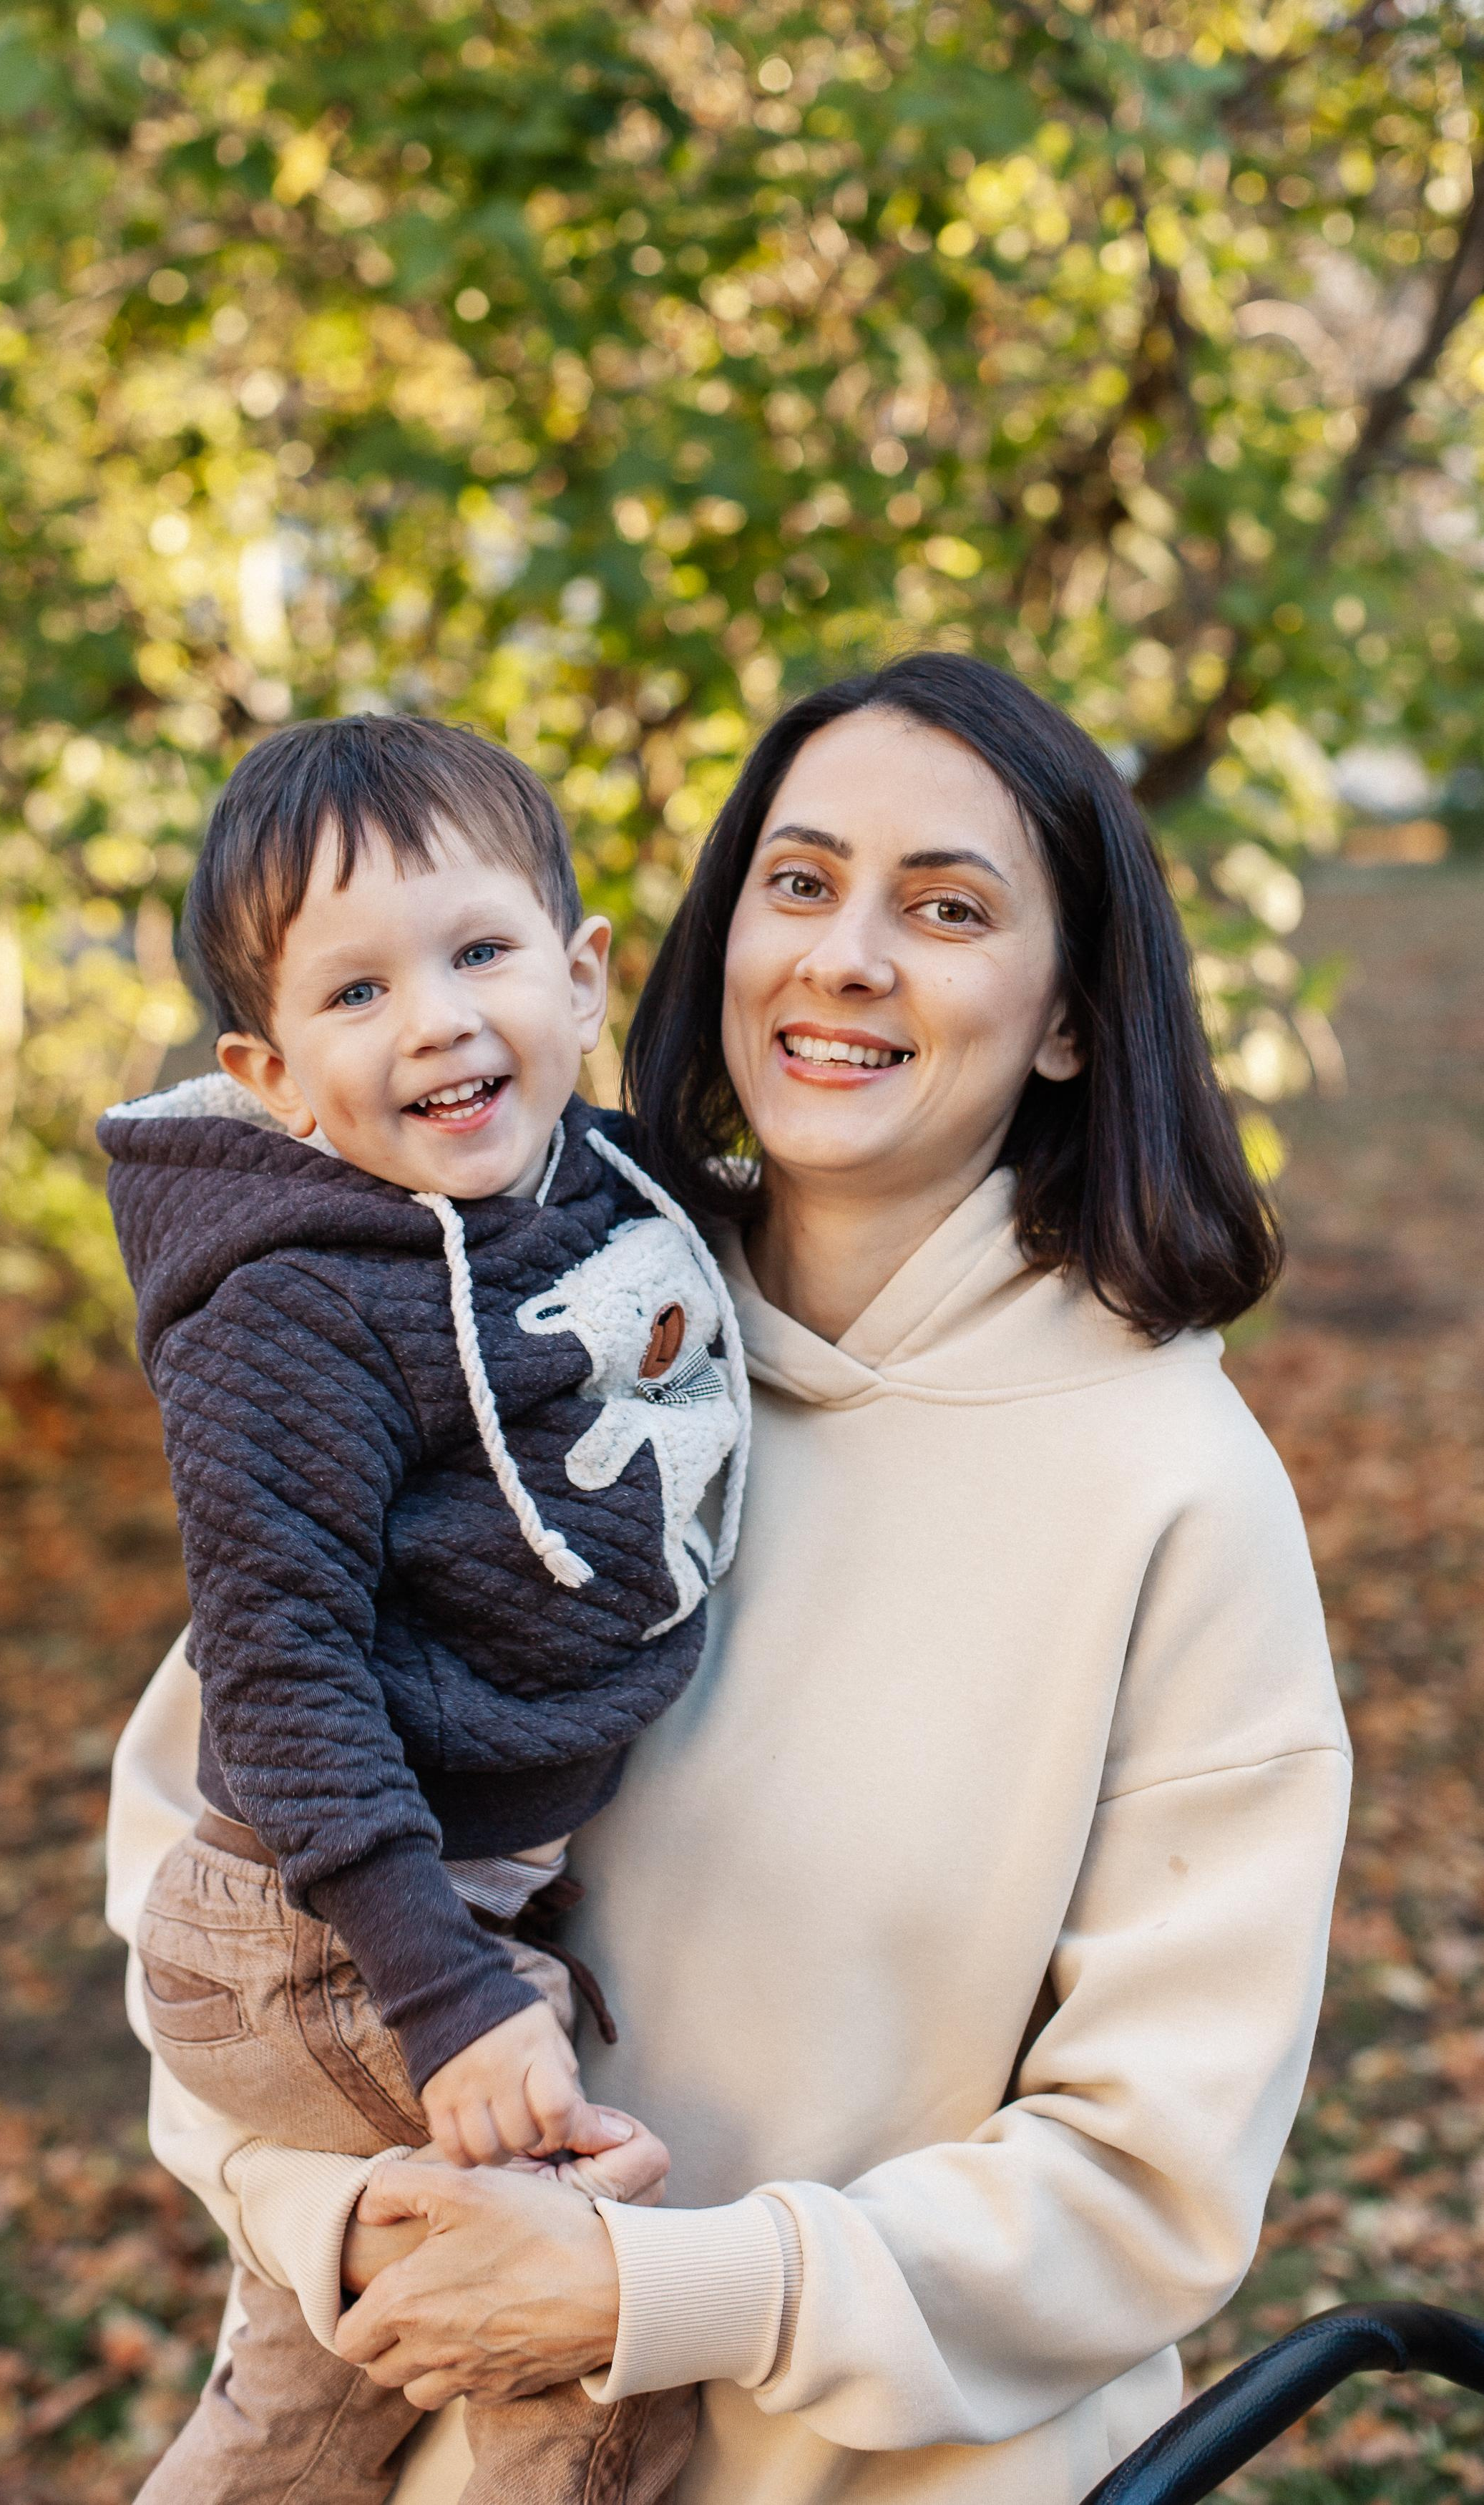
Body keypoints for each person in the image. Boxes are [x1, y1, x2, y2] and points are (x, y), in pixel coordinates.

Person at [105, 653, 1351, 2505]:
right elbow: (208, 1884)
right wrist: (349, 2216)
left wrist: (654, 2287)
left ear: (1069, 1013)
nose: (843, 954)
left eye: (941, 906)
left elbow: (1144, 2179)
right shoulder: (490, 1320)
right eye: (798, 879)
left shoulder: (1167, 1495)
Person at [99, 714, 749, 2501]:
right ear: (274, 1073)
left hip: (412, 1916)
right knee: (589, 2339)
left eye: (479, 953)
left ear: (583, 972)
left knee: (312, 2399)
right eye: (360, 991)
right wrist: (451, 1997)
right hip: (325, 1929)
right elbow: (283, 1672)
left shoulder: (590, 1187)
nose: (441, 1018)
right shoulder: (288, 1313)